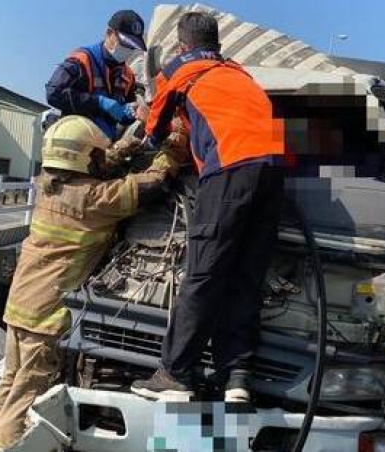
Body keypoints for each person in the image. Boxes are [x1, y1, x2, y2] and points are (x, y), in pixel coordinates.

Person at [0, 115, 187, 452]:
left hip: (19, 307)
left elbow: (94, 169)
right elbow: (150, 185)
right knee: (26, 395)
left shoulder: (48, 182)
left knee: (9, 385)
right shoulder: (94, 199)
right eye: (96, 156)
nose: (100, 162)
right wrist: (172, 152)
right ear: (85, 159)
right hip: (45, 317)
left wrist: (120, 149)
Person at [130, 11, 286, 403]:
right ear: (218, 45)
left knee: (204, 273)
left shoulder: (179, 70)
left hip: (230, 170)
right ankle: (236, 377)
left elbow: (153, 135)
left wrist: (144, 121)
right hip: (273, 171)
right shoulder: (239, 73)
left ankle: (175, 373)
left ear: (183, 45)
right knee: (246, 277)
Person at [45, 9, 147, 139]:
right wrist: (98, 102)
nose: (127, 50)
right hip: (74, 139)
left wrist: (129, 114)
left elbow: (126, 115)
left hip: (103, 144)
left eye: (132, 47)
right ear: (109, 33)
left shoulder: (128, 76)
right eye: (124, 44)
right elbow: (53, 93)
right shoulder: (82, 60)